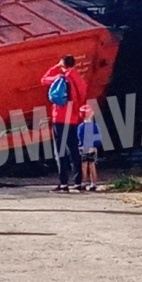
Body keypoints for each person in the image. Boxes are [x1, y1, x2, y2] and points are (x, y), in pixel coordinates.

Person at [40, 54, 88, 192]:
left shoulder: (60, 78)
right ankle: (78, 182)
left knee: (60, 151)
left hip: (59, 117)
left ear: (63, 64)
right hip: (73, 117)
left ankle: (63, 183)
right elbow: (83, 94)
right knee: (74, 150)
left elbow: (43, 80)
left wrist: (57, 66)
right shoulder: (78, 79)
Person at [78, 105, 101, 192]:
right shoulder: (95, 126)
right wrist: (95, 146)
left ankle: (84, 183)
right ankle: (93, 184)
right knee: (92, 165)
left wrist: (80, 146)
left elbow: (79, 137)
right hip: (91, 148)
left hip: (84, 147)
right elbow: (98, 137)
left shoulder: (80, 126)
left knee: (84, 165)